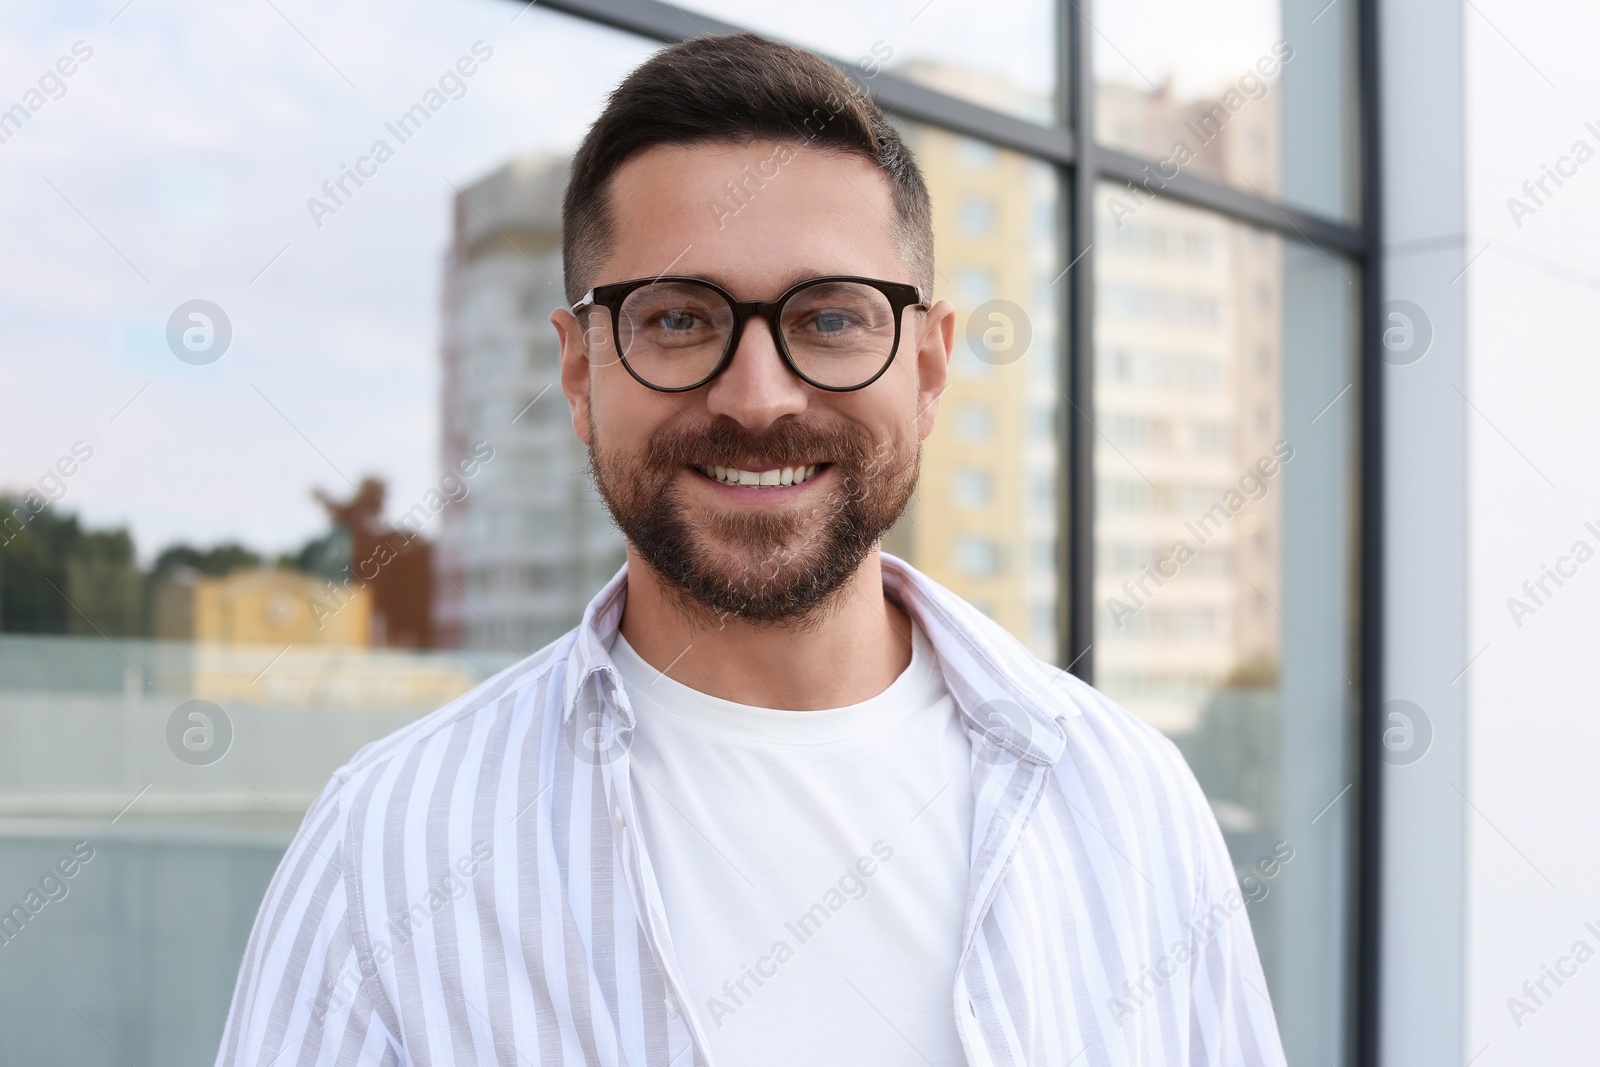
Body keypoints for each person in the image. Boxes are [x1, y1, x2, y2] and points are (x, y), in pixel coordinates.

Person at [216, 31, 1287, 1067]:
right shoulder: (391, 845)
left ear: (924, 366)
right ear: (582, 372)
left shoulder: (1127, 803)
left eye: (829, 318)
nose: (758, 396)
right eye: (678, 320)